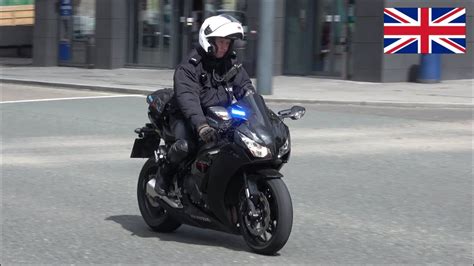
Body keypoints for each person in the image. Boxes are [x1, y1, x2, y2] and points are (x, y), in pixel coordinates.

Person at [154, 14, 256, 196]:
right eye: (221, 42)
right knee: (186, 146)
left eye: (228, 42)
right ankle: (164, 177)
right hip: (185, 115)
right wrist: (201, 125)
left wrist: (255, 105)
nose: (225, 47)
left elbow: (245, 86)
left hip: (217, 114)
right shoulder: (190, 67)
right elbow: (188, 98)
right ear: (209, 41)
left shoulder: (230, 63)